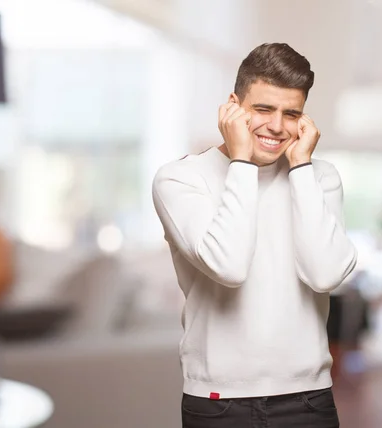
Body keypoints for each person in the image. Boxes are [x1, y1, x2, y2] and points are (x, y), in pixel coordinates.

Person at [152, 42, 357, 428]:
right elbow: (228, 265)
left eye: (290, 113)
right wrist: (242, 160)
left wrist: (301, 170)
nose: (277, 126)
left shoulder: (320, 177)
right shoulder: (180, 178)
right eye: (263, 109)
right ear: (233, 106)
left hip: (309, 399)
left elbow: (325, 274)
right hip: (218, 401)